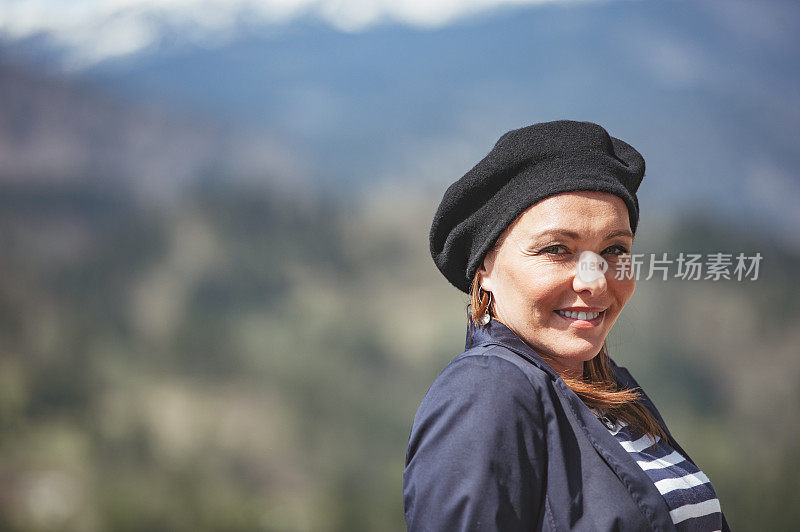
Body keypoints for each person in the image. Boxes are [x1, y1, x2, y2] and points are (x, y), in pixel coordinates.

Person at [403, 120, 730, 531]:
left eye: (614, 249)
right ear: (485, 266)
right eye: (557, 250)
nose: (593, 281)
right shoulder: (487, 391)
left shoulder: (613, 393)